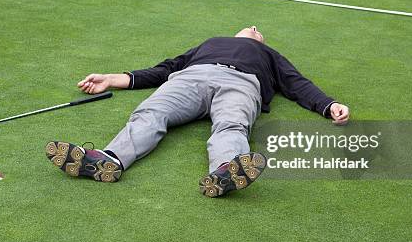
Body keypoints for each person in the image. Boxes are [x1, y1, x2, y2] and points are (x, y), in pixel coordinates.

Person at [45, 26, 350, 197]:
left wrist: (328, 105)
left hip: (241, 84)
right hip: (192, 78)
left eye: (259, 31)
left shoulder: (267, 53)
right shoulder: (210, 43)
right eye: (252, 28)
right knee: (151, 112)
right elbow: (166, 69)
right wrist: (113, 79)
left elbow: (296, 83)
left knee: (232, 126)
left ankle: (226, 171)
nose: (255, 27)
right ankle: (110, 160)